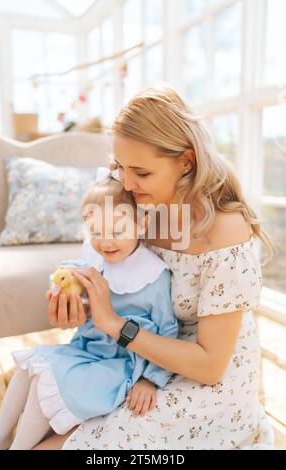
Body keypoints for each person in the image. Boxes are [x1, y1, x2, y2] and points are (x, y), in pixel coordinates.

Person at [36, 84, 274, 450]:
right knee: (42, 421)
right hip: (139, 360)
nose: (127, 184)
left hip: (207, 382)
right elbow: (122, 281)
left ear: (186, 162)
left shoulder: (226, 230)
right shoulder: (141, 206)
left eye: (141, 173)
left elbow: (210, 365)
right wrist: (82, 307)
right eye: (120, 167)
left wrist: (115, 326)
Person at [0, 175, 178, 450]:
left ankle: (20, 447)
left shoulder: (153, 276)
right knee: (29, 366)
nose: (106, 242)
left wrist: (150, 379)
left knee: (46, 379)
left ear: (141, 224)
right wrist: (63, 287)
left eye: (117, 232)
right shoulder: (96, 259)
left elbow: (168, 331)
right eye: (96, 232)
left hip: (118, 365)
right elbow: (71, 273)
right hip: (86, 350)